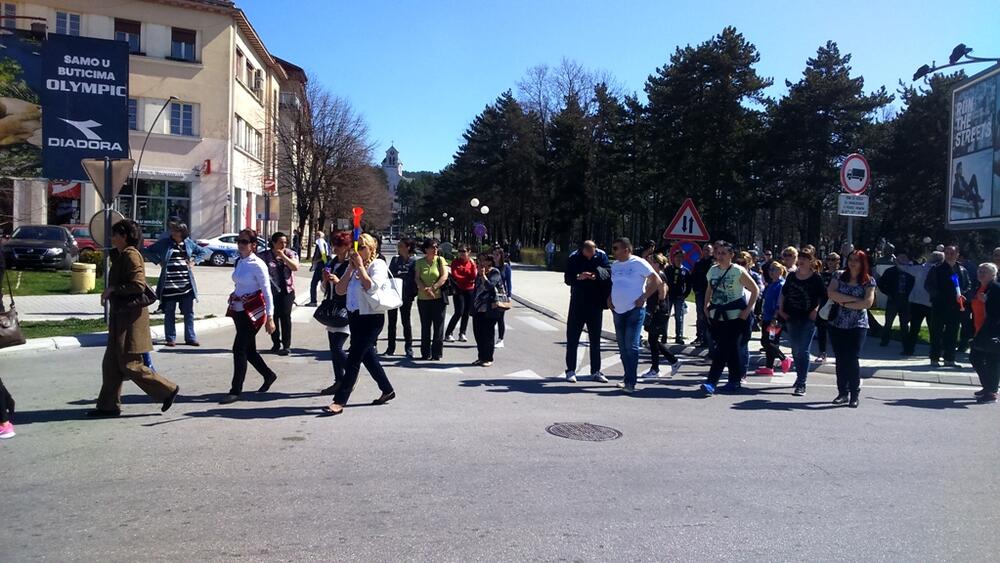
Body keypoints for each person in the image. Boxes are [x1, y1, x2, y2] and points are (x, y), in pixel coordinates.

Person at [90, 220, 180, 417]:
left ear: (124, 236)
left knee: (131, 364)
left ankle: (167, 390)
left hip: (129, 319)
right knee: (111, 365)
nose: (112, 237)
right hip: (120, 316)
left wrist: (113, 289)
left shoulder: (131, 255)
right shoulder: (122, 254)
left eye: (115, 234)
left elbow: (138, 285)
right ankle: (108, 406)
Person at [323, 233, 395, 415]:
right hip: (355, 316)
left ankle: (339, 400)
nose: (358, 251)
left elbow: (371, 286)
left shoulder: (378, 264)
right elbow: (340, 291)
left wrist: (361, 267)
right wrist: (349, 270)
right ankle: (387, 389)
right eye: (357, 248)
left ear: (371, 249)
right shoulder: (353, 267)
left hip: (371, 317)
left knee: (354, 357)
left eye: (362, 247)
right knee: (368, 356)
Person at [220, 228, 277, 405]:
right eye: (239, 241)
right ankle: (269, 375)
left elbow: (267, 292)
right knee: (249, 350)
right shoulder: (240, 261)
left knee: (239, 349)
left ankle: (235, 390)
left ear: (253, 245)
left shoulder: (258, 264)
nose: (240, 244)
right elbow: (240, 284)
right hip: (239, 310)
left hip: (253, 313)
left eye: (244, 242)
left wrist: (270, 317)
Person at [700, 241, 759, 396]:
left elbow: (755, 290)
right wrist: (705, 306)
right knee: (730, 349)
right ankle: (735, 380)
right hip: (717, 316)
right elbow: (709, 288)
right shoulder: (712, 271)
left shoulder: (738, 271)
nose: (720, 256)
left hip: (735, 317)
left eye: (724, 253)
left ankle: (711, 382)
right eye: (718, 253)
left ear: (731, 255)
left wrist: (747, 311)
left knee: (722, 349)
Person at [607, 238, 660, 393]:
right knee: (623, 347)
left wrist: (644, 297)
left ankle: (631, 381)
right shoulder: (615, 265)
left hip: (634, 310)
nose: (614, 251)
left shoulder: (638, 263)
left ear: (626, 250)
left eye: (616, 248)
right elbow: (614, 284)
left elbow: (655, 280)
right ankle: (626, 377)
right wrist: (609, 298)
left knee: (632, 345)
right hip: (618, 309)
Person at [144, 222, 209, 347]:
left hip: (186, 284)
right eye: (172, 230)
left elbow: (203, 251)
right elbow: (147, 251)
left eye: (176, 230)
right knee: (169, 312)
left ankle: (190, 337)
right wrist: (158, 261)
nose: (173, 232)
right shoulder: (165, 243)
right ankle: (170, 338)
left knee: (188, 312)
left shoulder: (188, 243)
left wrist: (194, 262)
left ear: (182, 232)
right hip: (169, 285)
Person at [826, 251, 877, 408]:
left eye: (856, 260)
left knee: (852, 358)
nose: (852, 263)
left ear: (863, 263)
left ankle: (855, 393)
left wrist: (845, 302)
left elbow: (867, 303)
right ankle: (843, 393)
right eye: (850, 260)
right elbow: (832, 293)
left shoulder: (869, 280)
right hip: (838, 323)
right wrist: (855, 300)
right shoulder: (839, 275)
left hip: (858, 324)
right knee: (840, 359)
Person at [778, 250, 826, 395]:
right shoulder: (792, 276)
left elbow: (822, 297)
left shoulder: (816, 278)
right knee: (795, 350)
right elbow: (784, 293)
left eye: (805, 258)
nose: (801, 261)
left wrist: (816, 310)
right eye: (800, 258)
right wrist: (780, 309)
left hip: (808, 318)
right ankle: (799, 376)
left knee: (803, 350)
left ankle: (801, 383)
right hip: (791, 316)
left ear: (811, 261)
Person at [563, 240, 611, 383]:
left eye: (593, 253)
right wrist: (579, 276)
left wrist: (595, 275)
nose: (591, 256)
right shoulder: (574, 257)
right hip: (578, 302)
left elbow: (608, 272)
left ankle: (596, 371)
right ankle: (570, 370)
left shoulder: (601, 256)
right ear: (583, 250)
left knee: (595, 339)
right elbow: (567, 278)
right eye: (588, 253)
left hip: (595, 303)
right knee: (573, 338)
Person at [926, 245, 971, 368]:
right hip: (939, 306)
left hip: (955, 307)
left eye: (953, 253)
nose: (950, 255)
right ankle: (934, 358)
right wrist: (938, 296)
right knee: (936, 333)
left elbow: (968, 285)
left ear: (957, 254)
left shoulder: (962, 269)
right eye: (948, 252)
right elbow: (929, 285)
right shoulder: (937, 269)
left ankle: (950, 359)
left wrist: (962, 294)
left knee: (952, 332)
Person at [319, 232, 352, 395]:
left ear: (347, 247)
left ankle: (351, 375)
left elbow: (353, 289)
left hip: (345, 309)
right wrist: (325, 280)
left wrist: (339, 282)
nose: (336, 248)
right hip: (332, 308)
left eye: (339, 245)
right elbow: (324, 289)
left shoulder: (351, 265)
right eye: (334, 245)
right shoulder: (332, 263)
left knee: (338, 348)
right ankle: (339, 380)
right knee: (333, 348)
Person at [257, 231, 300, 356]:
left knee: (285, 316)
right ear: (273, 243)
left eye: (285, 242)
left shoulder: (290, 254)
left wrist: (284, 257)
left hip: (287, 291)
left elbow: (295, 267)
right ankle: (276, 343)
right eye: (280, 242)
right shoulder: (265, 256)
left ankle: (286, 345)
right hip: (272, 291)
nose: (283, 245)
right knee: (274, 316)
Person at [641, 253, 683, 379]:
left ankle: (659, 367)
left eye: (651, 262)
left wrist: (656, 298)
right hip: (654, 310)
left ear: (657, 264)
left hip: (658, 312)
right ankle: (671, 362)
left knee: (653, 340)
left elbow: (663, 292)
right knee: (652, 340)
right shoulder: (655, 275)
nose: (649, 264)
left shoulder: (659, 276)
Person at [415, 238, 449, 361]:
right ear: (426, 249)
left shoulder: (440, 260)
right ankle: (425, 352)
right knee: (425, 326)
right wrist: (426, 289)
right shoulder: (420, 262)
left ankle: (436, 353)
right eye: (432, 247)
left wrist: (434, 288)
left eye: (436, 247)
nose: (435, 249)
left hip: (438, 298)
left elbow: (444, 276)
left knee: (438, 326)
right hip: (423, 298)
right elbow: (417, 278)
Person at [971, 263, 1000, 403]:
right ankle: (988, 387)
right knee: (977, 358)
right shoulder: (980, 288)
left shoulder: (996, 288)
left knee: (991, 361)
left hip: (992, 330)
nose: (981, 273)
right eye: (980, 270)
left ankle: (992, 391)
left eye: (985, 271)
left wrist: (987, 302)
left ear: (993, 275)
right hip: (980, 328)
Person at [756, 262, 791, 376]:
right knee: (770, 341)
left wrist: (775, 316)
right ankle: (769, 367)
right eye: (770, 269)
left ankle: (784, 358)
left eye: (774, 269)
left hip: (774, 318)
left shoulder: (781, 284)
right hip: (767, 317)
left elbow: (780, 302)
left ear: (780, 271)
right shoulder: (771, 284)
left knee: (767, 341)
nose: (771, 271)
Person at [902, 252, 940, 357]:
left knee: (914, 328)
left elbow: (905, 268)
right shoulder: (940, 271)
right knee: (934, 329)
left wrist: (901, 262)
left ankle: (909, 350)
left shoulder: (920, 269)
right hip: (932, 303)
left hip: (917, 302)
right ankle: (935, 351)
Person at [472, 252, 505, 367]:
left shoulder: (494, 272)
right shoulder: (479, 273)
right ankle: (481, 357)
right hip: (478, 308)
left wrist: (483, 276)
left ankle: (488, 358)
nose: (480, 263)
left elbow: (490, 286)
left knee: (488, 334)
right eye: (479, 260)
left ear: (489, 261)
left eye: (483, 260)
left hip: (489, 308)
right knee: (478, 334)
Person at [386, 238, 417, 357]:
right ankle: (390, 348)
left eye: (401, 246)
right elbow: (390, 276)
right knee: (391, 322)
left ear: (408, 247)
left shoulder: (414, 261)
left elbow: (414, 278)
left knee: (406, 322)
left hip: (406, 296)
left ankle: (408, 348)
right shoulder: (395, 260)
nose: (399, 248)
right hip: (393, 295)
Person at [877, 251, 915, 349]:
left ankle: (905, 343)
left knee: (905, 323)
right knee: (888, 322)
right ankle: (884, 340)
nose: (903, 261)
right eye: (900, 259)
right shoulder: (890, 271)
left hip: (906, 300)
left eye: (904, 259)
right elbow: (881, 284)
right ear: (896, 261)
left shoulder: (911, 272)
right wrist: (888, 293)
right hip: (893, 299)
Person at [445, 244, 477, 343]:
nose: (461, 253)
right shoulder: (455, 262)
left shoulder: (471, 263)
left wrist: (468, 276)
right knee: (459, 311)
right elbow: (455, 275)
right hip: (458, 289)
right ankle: (448, 333)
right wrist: (465, 279)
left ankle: (462, 333)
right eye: (460, 251)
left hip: (470, 289)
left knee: (466, 313)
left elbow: (473, 276)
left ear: (468, 252)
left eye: (463, 251)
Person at [815, 252, 840, 363]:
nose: (830, 262)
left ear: (838, 261)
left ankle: (839, 354)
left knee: (836, 331)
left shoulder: (841, 274)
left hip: (837, 304)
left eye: (833, 259)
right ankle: (822, 352)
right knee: (822, 330)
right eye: (829, 259)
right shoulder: (822, 275)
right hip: (824, 304)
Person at [664, 249, 691, 344]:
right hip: (668, 296)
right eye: (677, 257)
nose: (678, 259)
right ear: (673, 258)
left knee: (679, 317)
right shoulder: (668, 269)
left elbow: (689, 285)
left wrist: (685, 295)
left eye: (680, 257)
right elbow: (664, 282)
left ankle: (679, 336)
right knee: (665, 316)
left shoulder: (685, 271)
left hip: (679, 297)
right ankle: (664, 335)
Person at [691, 243, 714, 348]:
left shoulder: (714, 264)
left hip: (711, 294)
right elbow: (694, 277)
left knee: (709, 316)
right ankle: (699, 336)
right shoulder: (698, 263)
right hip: (700, 293)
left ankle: (708, 338)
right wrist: (695, 289)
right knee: (700, 316)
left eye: (708, 250)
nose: (706, 252)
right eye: (705, 249)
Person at [492, 246, 513, 348]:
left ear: (501, 255)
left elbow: (508, 282)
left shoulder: (506, 267)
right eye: (494, 254)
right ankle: (490, 338)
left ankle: (501, 339)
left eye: (497, 254)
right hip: (491, 294)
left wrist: (509, 295)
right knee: (490, 318)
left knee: (500, 318)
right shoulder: (490, 266)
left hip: (501, 295)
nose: (495, 257)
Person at [306, 231, 329, 306]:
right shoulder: (324, 242)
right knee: (324, 284)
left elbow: (324, 255)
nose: (316, 236)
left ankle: (313, 301)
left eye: (318, 235)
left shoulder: (320, 242)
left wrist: (318, 261)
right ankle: (328, 300)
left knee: (314, 283)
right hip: (323, 265)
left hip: (321, 266)